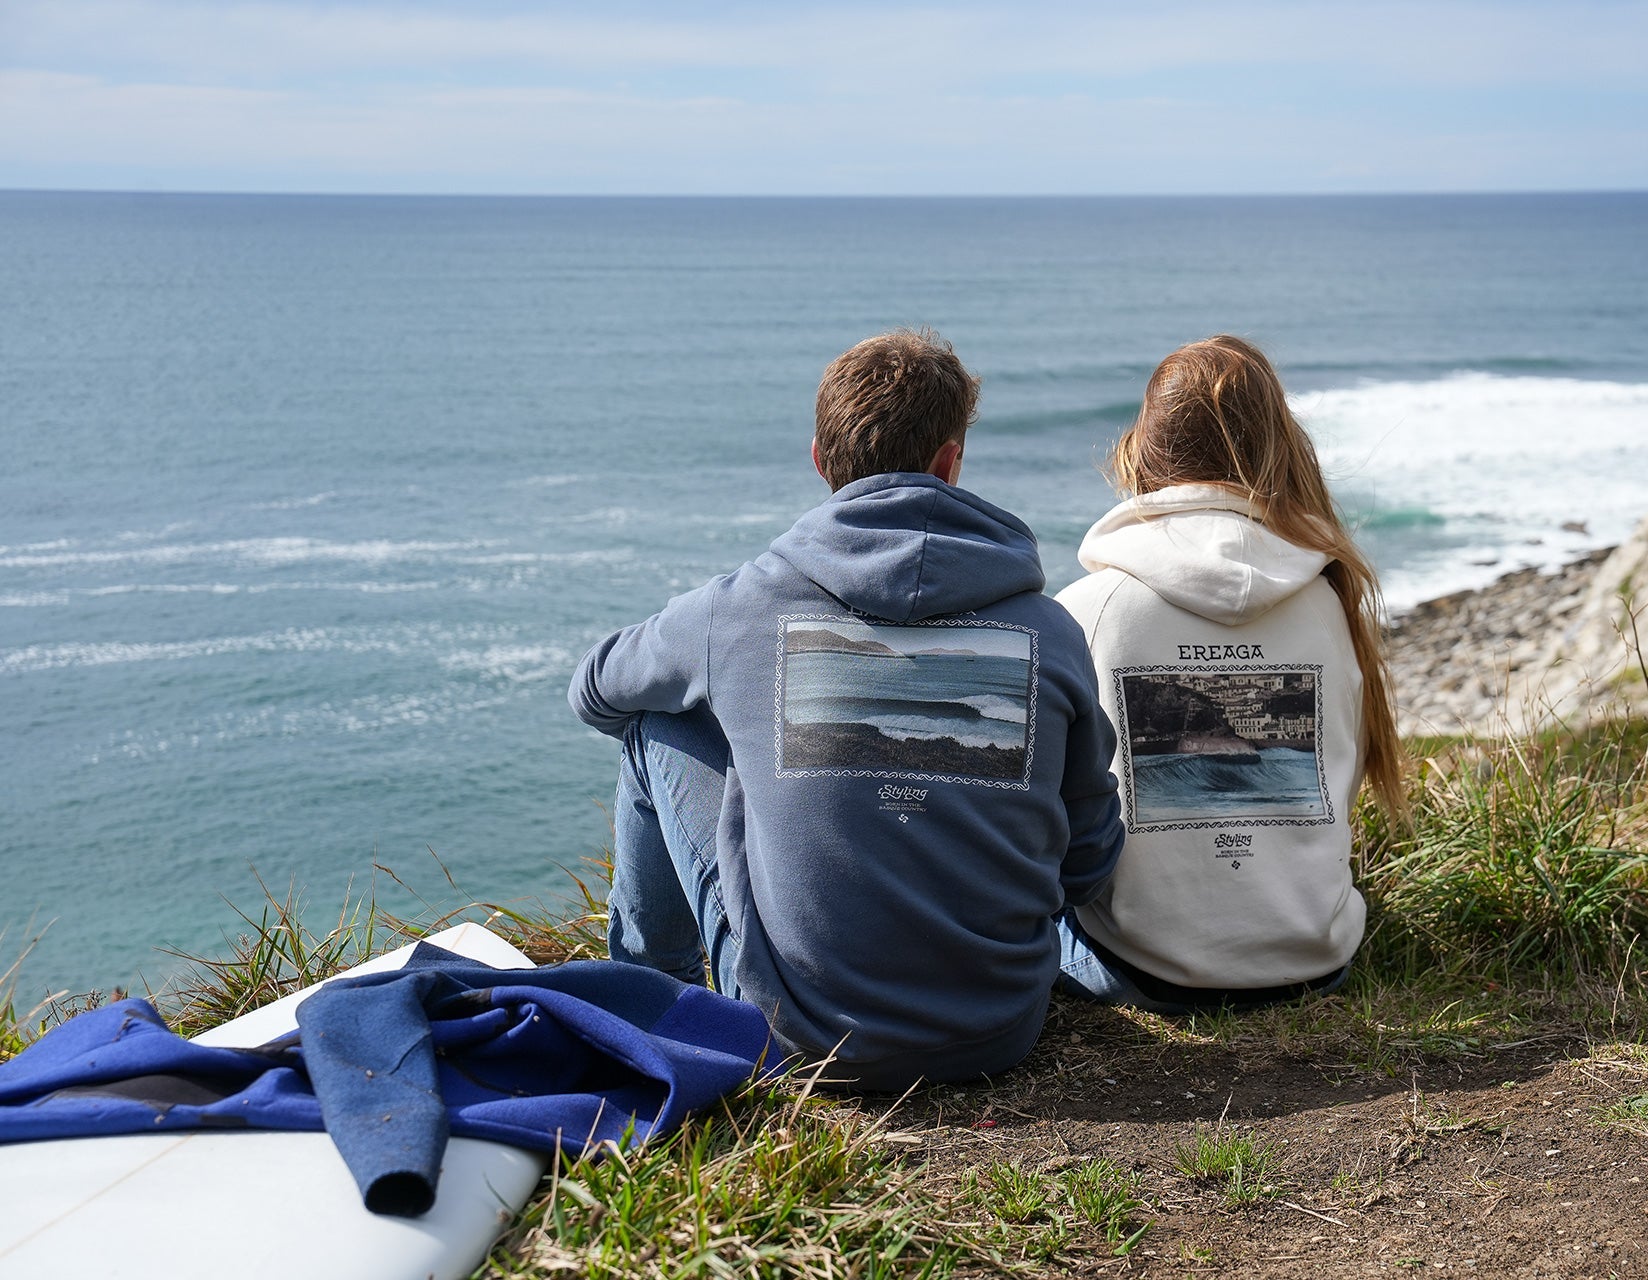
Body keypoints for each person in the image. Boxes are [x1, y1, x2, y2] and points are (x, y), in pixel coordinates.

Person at [569, 329, 1125, 1090]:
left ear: (821, 463)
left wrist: (751, 723)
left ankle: (653, 1000)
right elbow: (1089, 858)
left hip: (801, 1036)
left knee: (653, 723)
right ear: (949, 462)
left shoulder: (739, 608)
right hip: (999, 1027)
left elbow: (596, 687)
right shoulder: (1049, 631)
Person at [1052, 335, 1407, 1014]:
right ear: (1277, 445)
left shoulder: (1089, 610)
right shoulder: (1329, 602)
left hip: (1145, 971)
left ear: (1144, 453)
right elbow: (1341, 781)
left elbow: (1060, 818)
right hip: (1313, 961)